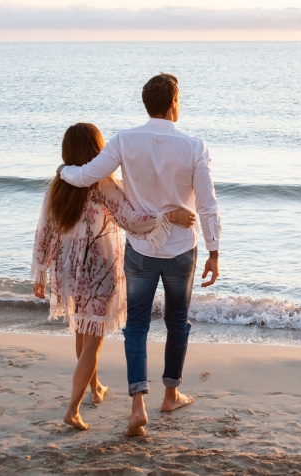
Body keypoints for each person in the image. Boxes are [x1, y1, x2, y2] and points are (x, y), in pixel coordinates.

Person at [57, 73, 221, 437]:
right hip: (181, 249)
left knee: (137, 327)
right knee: (178, 323)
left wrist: (63, 170)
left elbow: (87, 177)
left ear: (147, 105)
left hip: (141, 250)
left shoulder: (124, 140)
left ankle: (137, 407)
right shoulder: (195, 146)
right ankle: (171, 394)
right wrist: (214, 249)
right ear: (174, 103)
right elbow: (208, 204)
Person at [31, 122, 195, 431]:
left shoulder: (59, 184)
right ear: (96, 151)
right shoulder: (103, 184)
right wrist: (171, 216)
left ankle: (95, 389)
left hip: (68, 270)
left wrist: (40, 272)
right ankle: (72, 409)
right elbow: (133, 221)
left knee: (83, 330)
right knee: (92, 341)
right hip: (99, 270)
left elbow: (45, 232)